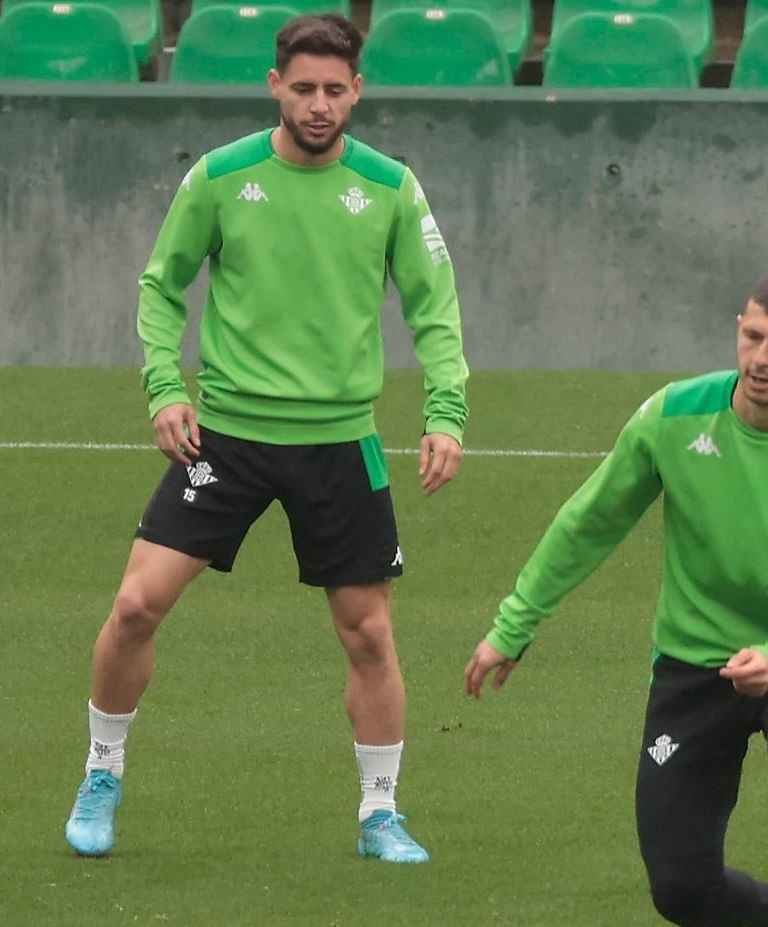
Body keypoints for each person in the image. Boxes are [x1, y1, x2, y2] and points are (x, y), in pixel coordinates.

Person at [63, 14, 469, 864]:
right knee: (136, 604)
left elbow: (434, 306)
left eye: (335, 90)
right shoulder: (220, 176)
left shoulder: (391, 185)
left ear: (358, 90)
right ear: (274, 84)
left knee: (367, 634)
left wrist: (446, 411)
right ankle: (102, 771)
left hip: (338, 442)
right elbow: (160, 286)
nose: (319, 105)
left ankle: (379, 812)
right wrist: (165, 389)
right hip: (226, 438)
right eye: (304, 87)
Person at [463, 272, 768, 927]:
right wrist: (513, 624)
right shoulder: (672, 416)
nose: (760, 356)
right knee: (680, 892)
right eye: (751, 335)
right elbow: (590, 521)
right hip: (694, 665)